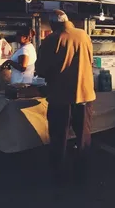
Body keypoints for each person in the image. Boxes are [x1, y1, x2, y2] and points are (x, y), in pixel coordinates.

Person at [35, 10, 95, 183]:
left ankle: (59, 174)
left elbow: (41, 69)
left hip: (61, 96)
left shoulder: (52, 40)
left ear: (53, 24)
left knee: (59, 137)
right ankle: (82, 172)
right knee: (83, 137)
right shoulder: (84, 35)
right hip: (85, 94)